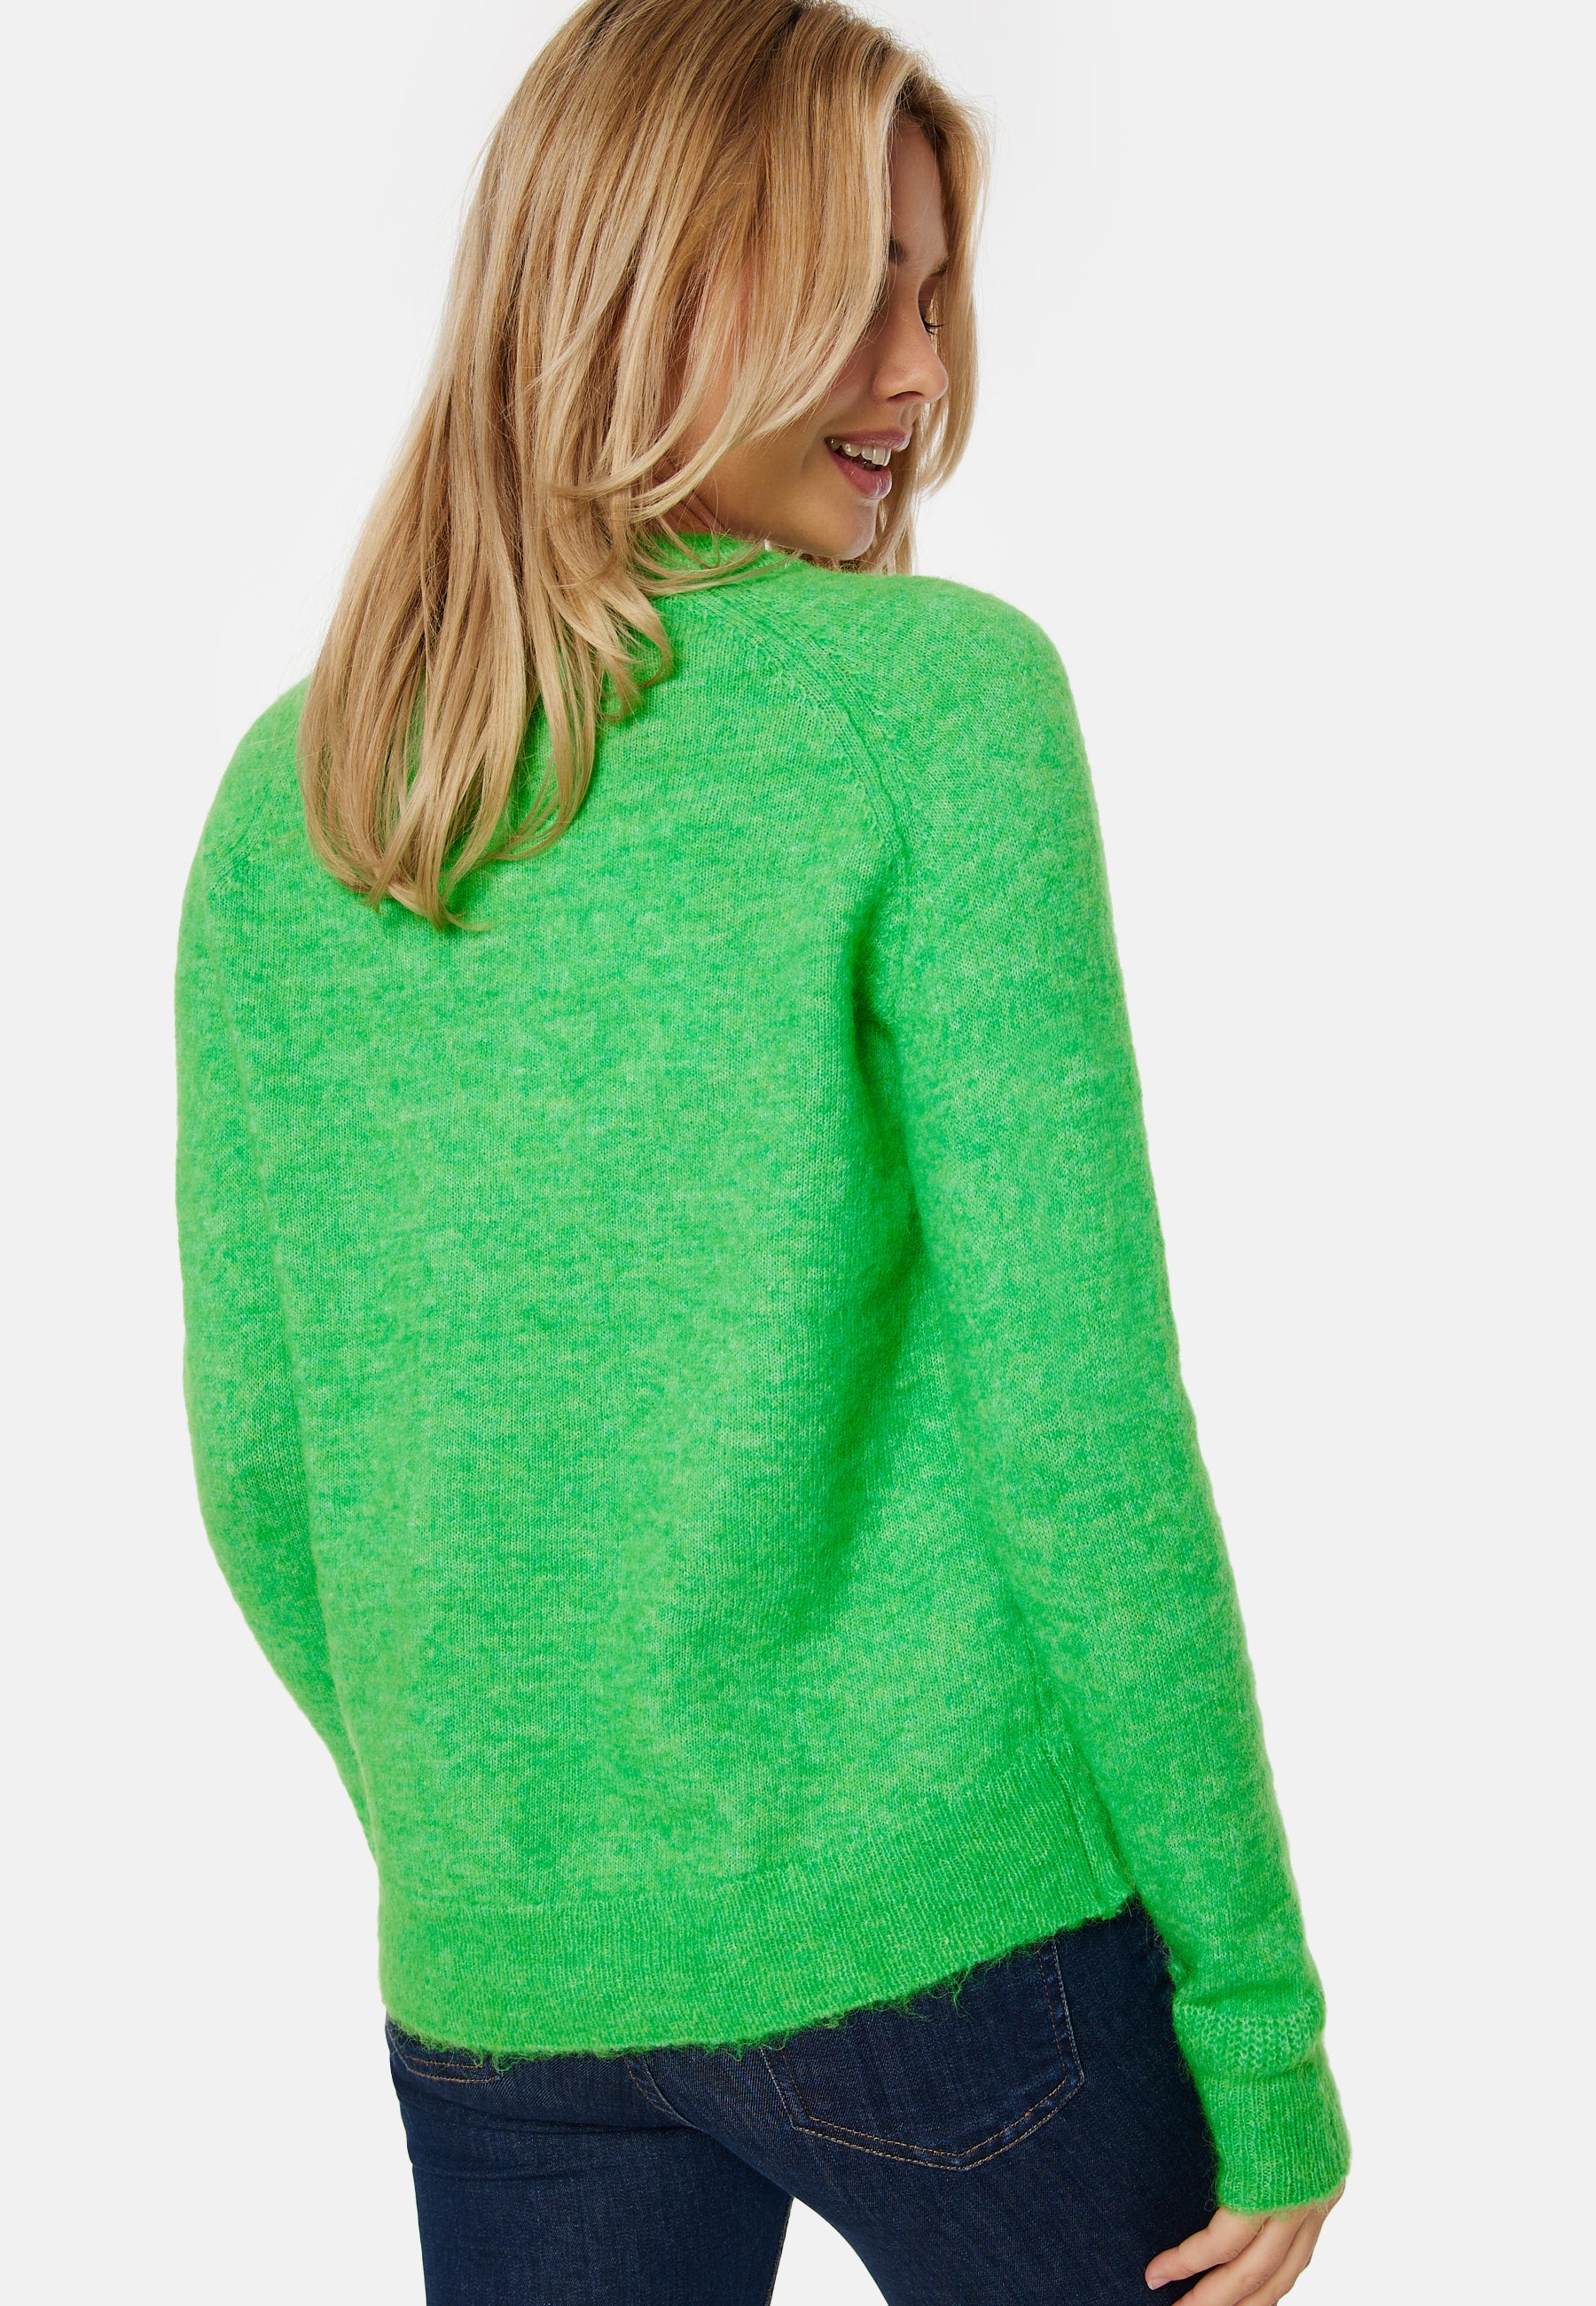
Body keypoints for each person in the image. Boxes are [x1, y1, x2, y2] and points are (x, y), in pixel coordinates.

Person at [173, 3, 1351, 2300]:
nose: (919, 373)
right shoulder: (932, 707)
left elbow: (262, 1470)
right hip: (956, 1941)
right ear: (653, 291)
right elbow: (1084, 1422)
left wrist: (523, 1849)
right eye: (857, 292)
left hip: (507, 1984)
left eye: (936, 289)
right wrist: (1256, 2010)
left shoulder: (296, 797)